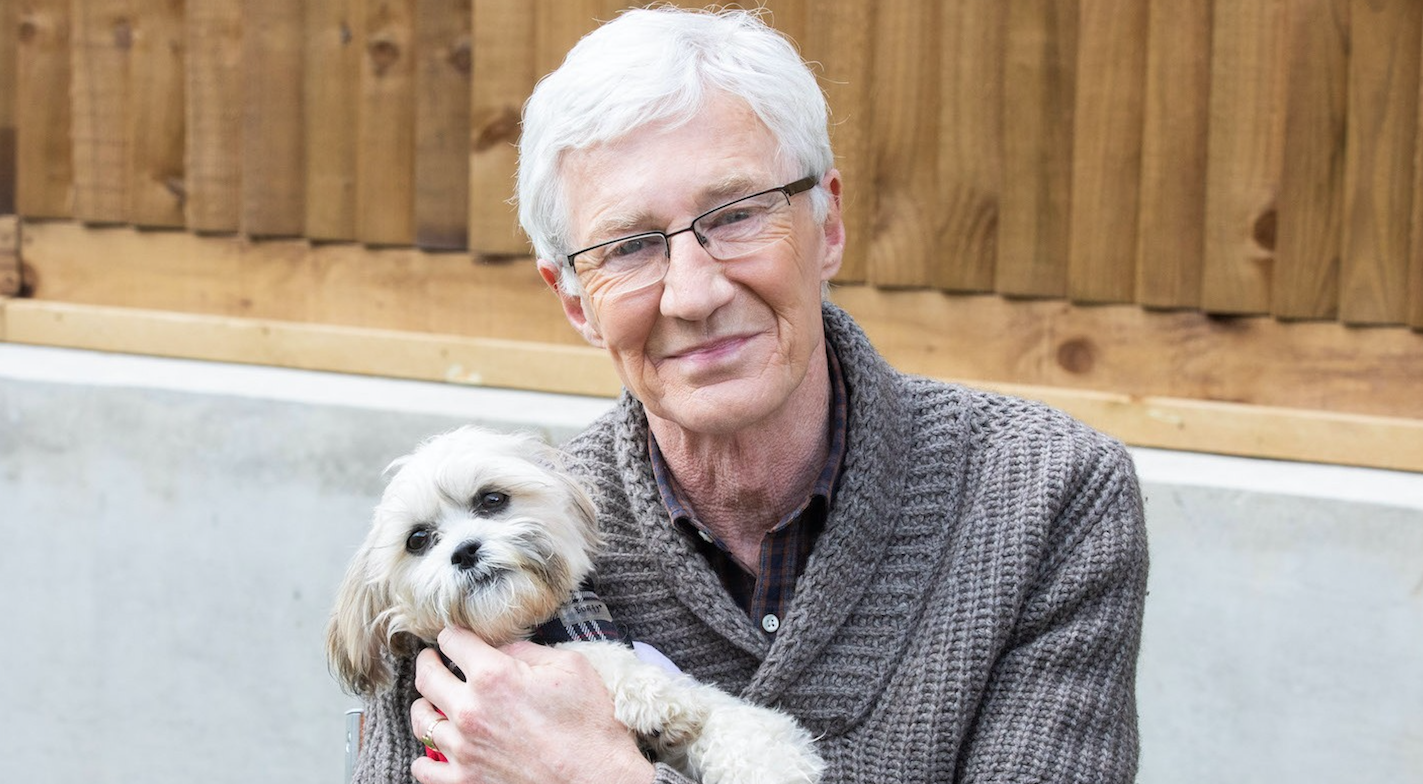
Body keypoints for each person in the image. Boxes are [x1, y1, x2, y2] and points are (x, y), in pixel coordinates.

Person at [352, 7, 1148, 783]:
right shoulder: (477, 567)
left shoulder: (1048, 496)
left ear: (828, 222)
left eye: (735, 216)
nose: (693, 295)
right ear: (574, 301)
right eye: (628, 247)